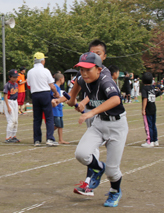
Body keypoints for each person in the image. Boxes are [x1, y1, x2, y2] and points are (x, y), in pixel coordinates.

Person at [53, 39, 113, 197]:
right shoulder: (82, 72)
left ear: (104, 56)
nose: (94, 56)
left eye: (98, 53)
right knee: (91, 150)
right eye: (91, 53)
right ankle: (89, 182)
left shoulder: (103, 73)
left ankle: (110, 187)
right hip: (91, 114)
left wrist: (83, 103)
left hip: (106, 116)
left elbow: (97, 94)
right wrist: (62, 100)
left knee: (106, 153)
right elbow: (73, 91)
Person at [69, 52, 128, 207]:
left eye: (88, 69)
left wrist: (91, 112)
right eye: (81, 69)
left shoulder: (106, 81)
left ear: (99, 69)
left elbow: (115, 99)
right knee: (81, 154)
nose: (84, 73)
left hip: (117, 125)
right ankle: (98, 168)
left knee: (112, 171)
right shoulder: (83, 79)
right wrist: (73, 100)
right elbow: (75, 87)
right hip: (100, 123)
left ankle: (115, 192)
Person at [27, 52, 60, 147]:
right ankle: (50, 138)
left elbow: (29, 84)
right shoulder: (46, 71)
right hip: (45, 94)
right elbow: (52, 85)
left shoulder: (30, 71)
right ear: (42, 60)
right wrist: (56, 93)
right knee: (49, 117)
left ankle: (37, 140)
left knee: (37, 118)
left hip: (35, 94)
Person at [141, 72, 161, 147]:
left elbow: (145, 98)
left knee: (148, 125)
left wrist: (143, 109)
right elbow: (158, 93)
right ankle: (155, 140)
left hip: (148, 110)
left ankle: (150, 141)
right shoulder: (152, 88)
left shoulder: (144, 89)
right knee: (153, 125)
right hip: (153, 108)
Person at [3, 69, 20, 143]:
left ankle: (13, 136)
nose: (16, 78)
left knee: (16, 121)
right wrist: (8, 107)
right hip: (9, 102)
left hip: (15, 102)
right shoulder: (7, 85)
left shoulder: (16, 84)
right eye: (14, 77)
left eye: (16, 77)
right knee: (11, 121)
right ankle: (8, 137)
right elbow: (5, 96)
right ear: (10, 77)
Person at [51, 73, 69, 144]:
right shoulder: (54, 87)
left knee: (61, 125)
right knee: (57, 124)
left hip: (59, 109)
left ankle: (61, 139)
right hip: (55, 110)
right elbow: (52, 97)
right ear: (61, 79)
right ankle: (49, 134)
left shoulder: (58, 88)